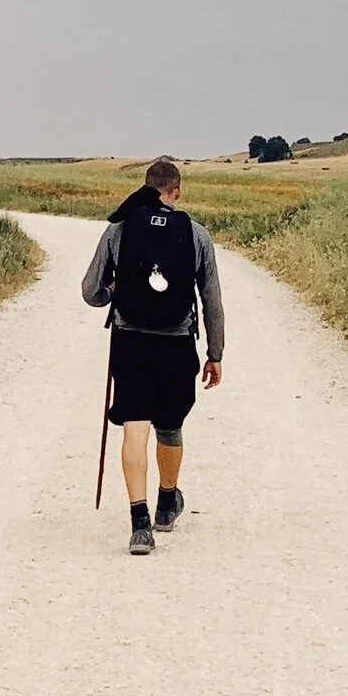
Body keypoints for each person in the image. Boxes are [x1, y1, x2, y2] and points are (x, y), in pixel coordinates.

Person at [80, 156, 224, 553]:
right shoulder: (196, 234)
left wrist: (113, 292)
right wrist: (215, 352)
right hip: (177, 343)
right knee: (170, 425)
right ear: (176, 192)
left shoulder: (119, 230)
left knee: (135, 427)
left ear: (146, 186)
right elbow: (210, 297)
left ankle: (139, 526)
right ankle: (166, 503)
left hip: (131, 342)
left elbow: (91, 292)